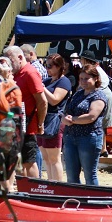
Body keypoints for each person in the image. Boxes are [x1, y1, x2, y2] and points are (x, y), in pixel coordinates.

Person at [3, 46, 46, 179]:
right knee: (19, 162)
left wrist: (40, 123)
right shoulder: (15, 74)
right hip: (16, 125)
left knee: (29, 161)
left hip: (28, 126)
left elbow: (42, 101)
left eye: (10, 60)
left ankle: (33, 189)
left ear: (20, 58)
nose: (8, 64)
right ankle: (23, 188)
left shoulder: (29, 73)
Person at [62, 66, 107, 186]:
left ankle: (93, 197)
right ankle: (75, 196)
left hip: (89, 137)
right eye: (81, 78)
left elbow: (91, 116)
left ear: (96, 78)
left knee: (90, 175)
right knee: (71, 176)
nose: (83, 81)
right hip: (71, 137)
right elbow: (66, 111)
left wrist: (73, 120)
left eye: (86, 78)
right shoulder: (78, 94)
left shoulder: (99, 95)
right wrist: (64, 119)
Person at [37, 53, 71, 182]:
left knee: (54, 158)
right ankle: (51, 183)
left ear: (59, 66)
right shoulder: (47, 81)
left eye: (50, 66)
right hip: (44, 119)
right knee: (46, 157)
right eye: (46, 65)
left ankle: (56, 186)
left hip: (54, 121)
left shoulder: (64, 81)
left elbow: (55, 100)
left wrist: (42, 88)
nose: (47, 68)